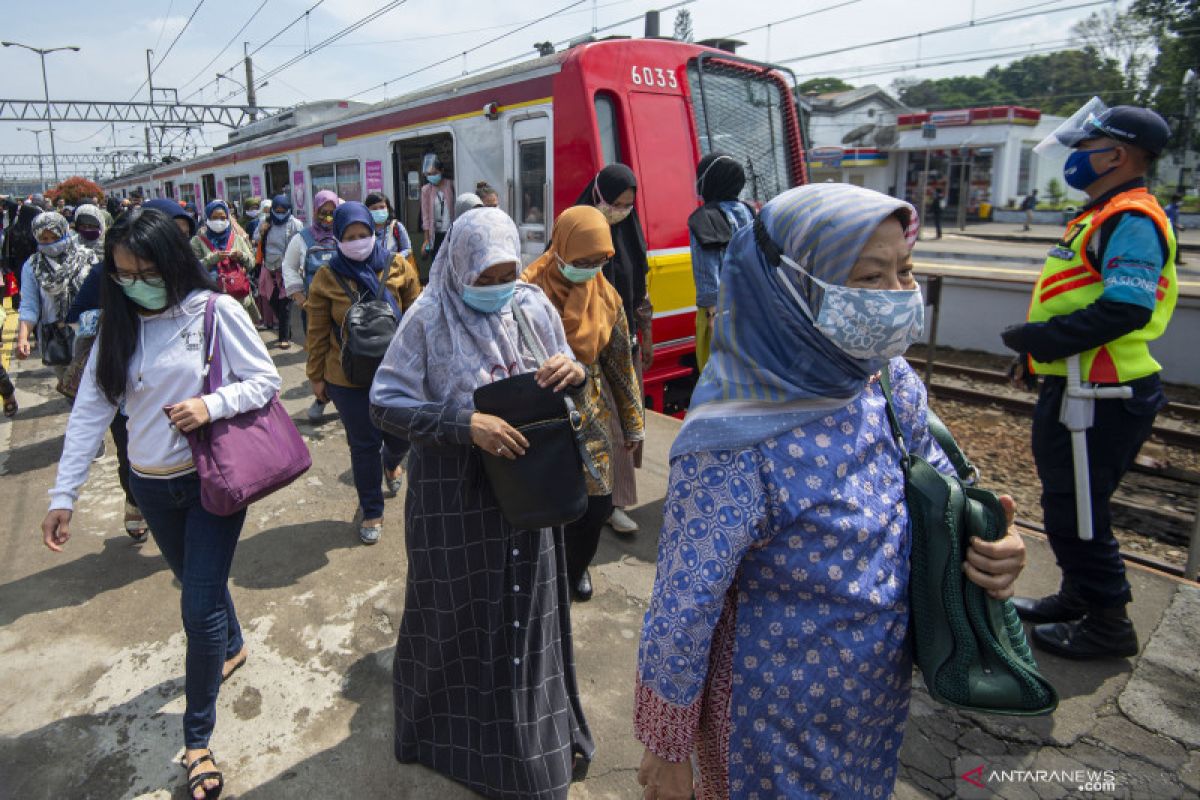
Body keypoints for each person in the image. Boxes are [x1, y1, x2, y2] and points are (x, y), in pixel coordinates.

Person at [633, 184, 1027, 800]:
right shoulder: (730, 440)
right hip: (769, 725)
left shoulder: (885, 380)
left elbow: (932, 496)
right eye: (870, 278)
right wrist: (667, 750)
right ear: (790, 288)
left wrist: (989, 549)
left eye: (907, 270)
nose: (900, 295)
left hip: (877, 702)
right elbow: (684, 608)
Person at [41, 207, 281, 800]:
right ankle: (233, 642)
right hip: (150, 485)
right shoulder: (118, 332)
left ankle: (197, 739)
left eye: (144, 270)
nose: (134, 283)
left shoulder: (214, 312)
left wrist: (211, 406)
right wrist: (62, 495)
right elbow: (89, 416)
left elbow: (265, 381)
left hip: (210, 483)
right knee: (200, 583)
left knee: (196, 608)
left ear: (171, 264)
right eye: (122, 274)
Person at [370, 207, 594, 799]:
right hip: (455, 494)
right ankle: (439, 734)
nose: (498, 289)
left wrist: (574, 373)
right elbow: (384, 403)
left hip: (530, 487)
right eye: (485, 277)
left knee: (527, 618)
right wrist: (464, 423)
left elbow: (571, 385)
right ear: (459, 264)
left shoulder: (533, 307)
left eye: (506, 274)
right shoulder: (426, 318)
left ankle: (530, 747)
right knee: (454, 614)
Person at [1001, 105, 1177, 660]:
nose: (1075, 157)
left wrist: (1042, 339)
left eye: (1086, 147)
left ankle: (1108, 624)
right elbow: (1083, 295)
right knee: (1068, 505)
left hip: (1102, 393)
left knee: (1079, 510)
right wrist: (1038, 358)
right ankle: (1077, 597)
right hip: (1080, 385)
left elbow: (1125, 306)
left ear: (1117, 155)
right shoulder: (1101, 214)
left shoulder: (1131, 218)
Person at [521, 206, 645, 601]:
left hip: (590, 416)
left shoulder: (605, 297)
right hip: (539, 416)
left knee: (596, 507)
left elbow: (621, 365)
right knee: (546, 506)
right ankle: (543, 575)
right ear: (560, 247)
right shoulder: (526, 291)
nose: (590, 269)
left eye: (598, 261)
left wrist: (633, 424)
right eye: (582, 261)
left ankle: (576, 567)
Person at [304, 202, 421, 544]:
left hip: (396, 371)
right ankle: (372, 509)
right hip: (346, 377)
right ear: (338, 239)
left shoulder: (398, 265)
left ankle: (392, 460)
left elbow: (418, 315)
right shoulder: (326, 277)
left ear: (374, 233)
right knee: (363, 444)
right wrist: (316, 375)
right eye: (349, 236)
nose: (357, 241)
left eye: (363, 234)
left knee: (402, 435)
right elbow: (316, 330)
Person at [574, 163, 652, 535]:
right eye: (615, 203)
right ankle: (604, 501)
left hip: (627, 342)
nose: (620, 210)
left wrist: (645, 333)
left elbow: (640, 287)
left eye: (627, 204)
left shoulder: (629, 234)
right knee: (604, 426)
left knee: (626, 422)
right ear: (597, 195)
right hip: (589, 348)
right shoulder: (578, 228)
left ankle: (613, 500)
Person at [687, 153, 755, 371]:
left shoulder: (703, 218)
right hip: (752, 307)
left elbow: (706, 270)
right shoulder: (750, 212)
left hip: (720, 310)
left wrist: (712, 315)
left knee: (715, 376)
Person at [15, 212, 96, 380]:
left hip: (89, 333)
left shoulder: (86, 258)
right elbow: (30, 306)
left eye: (55, 236)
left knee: (92, 387)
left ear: (65, 232)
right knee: (69, 389)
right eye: (44, 238)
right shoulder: (32, 266)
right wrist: (23, 338)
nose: (50, 242)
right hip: (56, 337)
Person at [190, 200, 260, 325]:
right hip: (211, 300)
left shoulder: (237, 238)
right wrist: (213, 258)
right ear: (207, 218)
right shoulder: (197, 241)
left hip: (238, 298)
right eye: (214, 217)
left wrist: (241, 256)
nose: (219, 221)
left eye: (223, 218)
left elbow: (251, 264)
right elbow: (193, 268)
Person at [255, 194, 304, 347]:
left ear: (289, 210)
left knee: (285, 304)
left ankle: (284, 338)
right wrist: (262, 231)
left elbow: (300, 246)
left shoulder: (296, 224)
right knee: (272, 300)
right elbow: (256, 239)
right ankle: (286, 329)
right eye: (277, 210)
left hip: (287, 269)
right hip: (269, 268)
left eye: (284, 210)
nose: (280, 213)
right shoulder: (265, 223)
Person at [2, 200, 40, 307]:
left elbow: (6, 250)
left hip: (18, 266)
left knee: (23, 289)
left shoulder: (11, 230)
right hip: (34, 265)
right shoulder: (35, 232)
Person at [419, 156, 455, 260]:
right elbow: (425, 217)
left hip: (450, 232)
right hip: (435, 234)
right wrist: (426, 240)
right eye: (428, 174)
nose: (431, 176)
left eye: (434, 173)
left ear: (441, 171)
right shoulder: (426, 190)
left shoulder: (451, 184)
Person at [364, 191, 413, 260]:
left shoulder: (396, 226)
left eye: (382, 207)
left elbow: (408, 249)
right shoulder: (364, 229)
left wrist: (394, 259)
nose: (379, 211)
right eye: (374, 208)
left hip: (394, 268)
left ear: (388, 209)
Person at [1165, 192, 1185, 265]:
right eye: (1180, 200)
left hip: (1174, 230)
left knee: (1175, 245)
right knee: (1172, 246)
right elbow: (1169, 221)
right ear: (1175, 200)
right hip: (1170, 231)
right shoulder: (1169, 209)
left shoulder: (1176, 208)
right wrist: (1178, 226)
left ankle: (1177, 260)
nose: (1181, 202)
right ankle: (1174, 260)